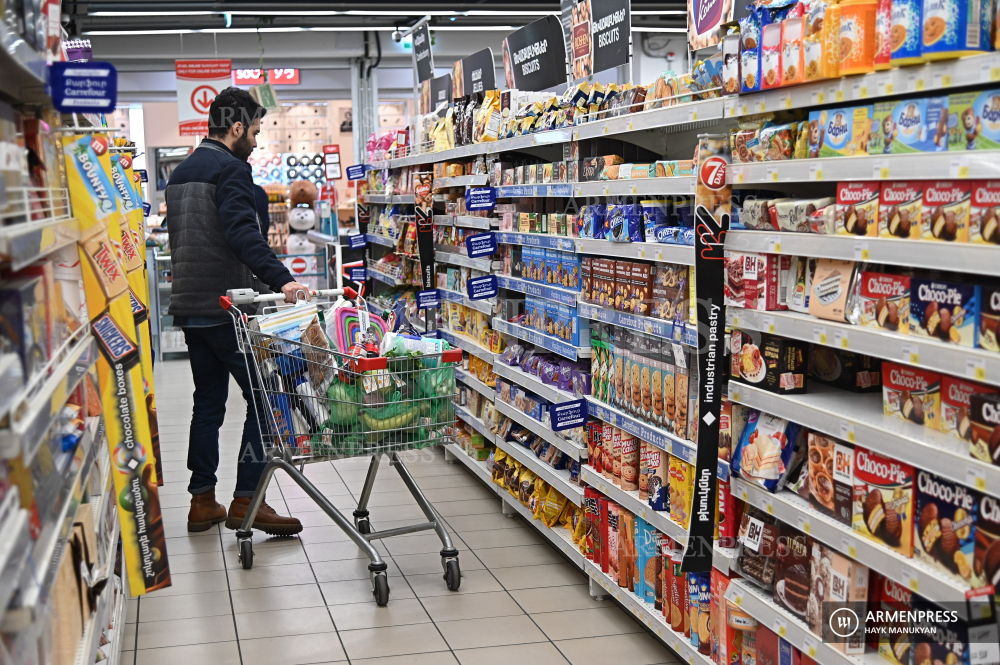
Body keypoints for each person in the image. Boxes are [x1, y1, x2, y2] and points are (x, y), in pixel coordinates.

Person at [166, 87, 309, 535]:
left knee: (207, 403)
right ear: (236, 127)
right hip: (226, 308)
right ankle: (249, 499)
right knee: (266, 399)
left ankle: (202, 501)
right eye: (255, 131)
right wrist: (283, 280)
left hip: (190, 307)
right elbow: (243, 235)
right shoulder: (231, 169)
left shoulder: (181, 172)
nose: (256, 140)